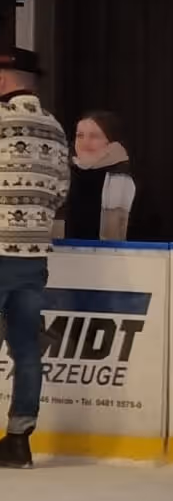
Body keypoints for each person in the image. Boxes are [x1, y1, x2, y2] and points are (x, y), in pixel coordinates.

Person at [0, 46, 71, 469]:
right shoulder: (55, 128)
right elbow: (60, 191)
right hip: (31, 255)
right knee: (26, 348)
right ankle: (18, 441)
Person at [64, 111, 139, 241]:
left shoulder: (127, 181)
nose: (85, 142)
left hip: (112, 252)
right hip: (66, 252)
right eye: (80, 136)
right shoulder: (63, 174)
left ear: (111, 142)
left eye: (94, 136)